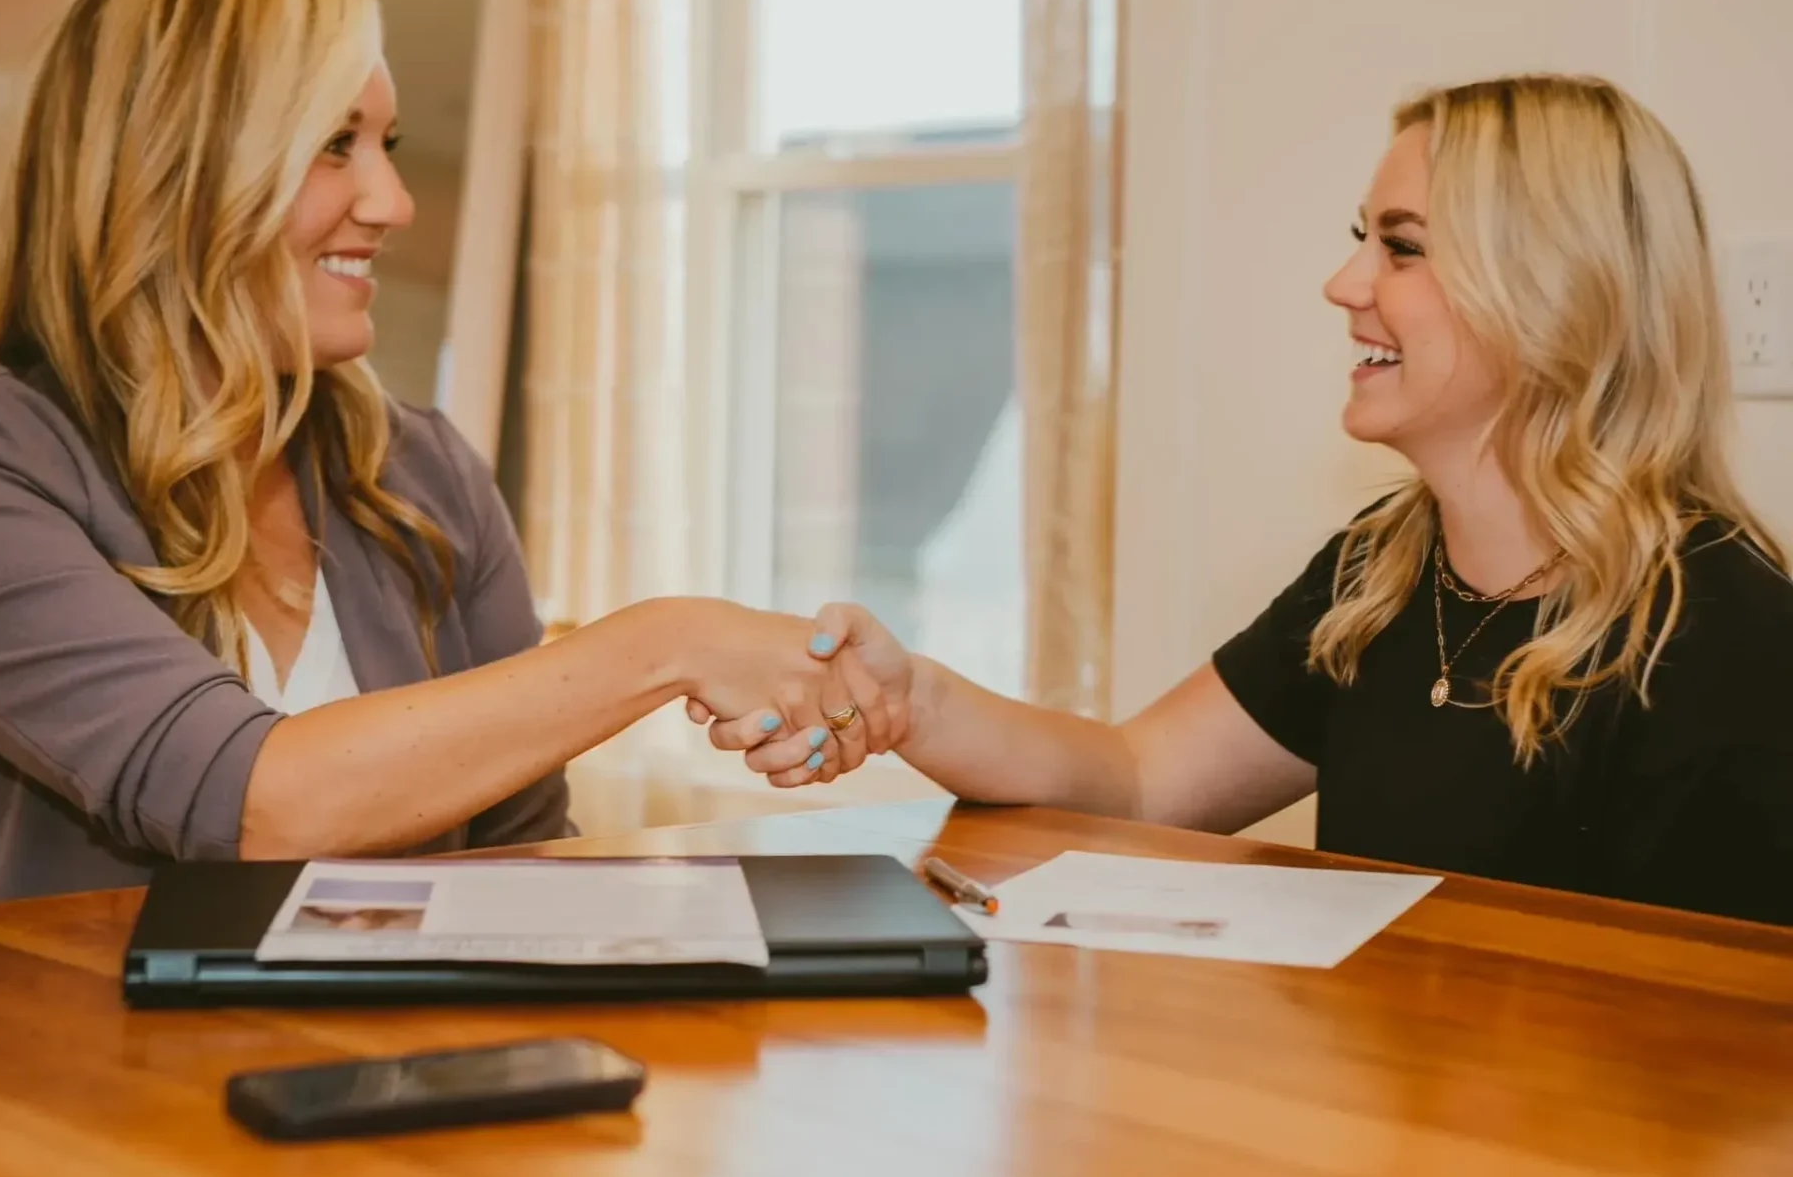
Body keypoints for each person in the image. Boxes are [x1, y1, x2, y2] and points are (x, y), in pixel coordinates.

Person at [0, 0, 862, 910]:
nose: (393, 203)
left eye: (387, 144)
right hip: (57, 1084)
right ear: (176, 170)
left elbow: (525, 854)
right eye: (335, 144)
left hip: (399, 1073)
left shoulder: (424, 474)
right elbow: (257, 802)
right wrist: (668, 643)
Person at [704, 75, 1793, 928]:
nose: (1345, 282)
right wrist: (914, 699)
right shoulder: (1384, 571)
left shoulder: (1721, 632)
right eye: (1360, 236)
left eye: (1402, 246)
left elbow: (1712, 1049)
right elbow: (1131, 784)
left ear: (1557, 289)